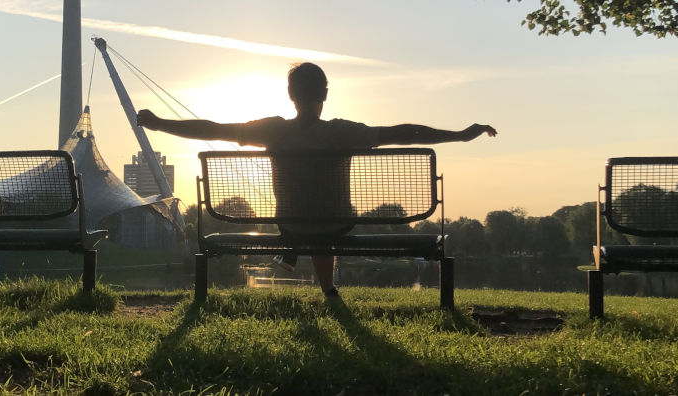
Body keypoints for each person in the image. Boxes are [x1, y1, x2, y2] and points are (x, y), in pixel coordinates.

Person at [136, 62, 497, 297]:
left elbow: (211, 128)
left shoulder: (273, 130)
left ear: (291, 96)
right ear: (325, 94)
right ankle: (328, 290)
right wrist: (460, 135)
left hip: (290, 225)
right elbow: (406, 131)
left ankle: (296, 256)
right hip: (335, 226)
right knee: (329, 217)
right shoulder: (343, 132)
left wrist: (159, 123)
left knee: (302, 215)